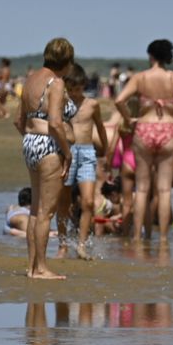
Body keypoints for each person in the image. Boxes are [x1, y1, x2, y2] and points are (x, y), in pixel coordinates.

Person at [114, 39, 173, 244]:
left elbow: (119, 100)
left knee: (142, 188)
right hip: (169, 129)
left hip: (144, 128)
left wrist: (129, 119)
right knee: (164, 190)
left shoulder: (140, 77)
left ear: (150, 56)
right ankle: (162, 238)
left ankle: (137, 236)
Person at [15, 37, 75, 279]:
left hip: (29, 142)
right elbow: (55, 123)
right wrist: (67, 152)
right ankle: (40, 268)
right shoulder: (56, 82)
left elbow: (17, 120)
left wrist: (31, 138)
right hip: (48, 146)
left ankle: (31, 266)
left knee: (35, 210)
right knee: (46, 212)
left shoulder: (30, 80)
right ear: (67, 61)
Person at [63, 65, 112, 258]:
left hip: (87, 152)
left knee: (89, 202)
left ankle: (81, 245)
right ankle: (63, 242)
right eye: (71, 89)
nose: (74, 93)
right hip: (66, 152)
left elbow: (100, 128)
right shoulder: (61, 103)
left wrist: (106, 153)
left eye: (78, 88)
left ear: (84, 85)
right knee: (63, 202)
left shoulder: (92, 104)